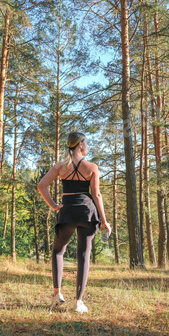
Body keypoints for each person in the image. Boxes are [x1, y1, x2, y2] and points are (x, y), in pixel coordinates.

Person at [37, 132, 111, 314]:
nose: (88, 146)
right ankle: (78, 302)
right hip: (87, 213)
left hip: (67, 212)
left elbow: (41, 185)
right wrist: (104, 221)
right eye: (87, 143)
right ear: (80, 145)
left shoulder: (60, 167)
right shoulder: (91, 167)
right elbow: (96, 194)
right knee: (83, 256)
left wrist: (54, 205)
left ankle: (57, 294)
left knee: (57, 251)